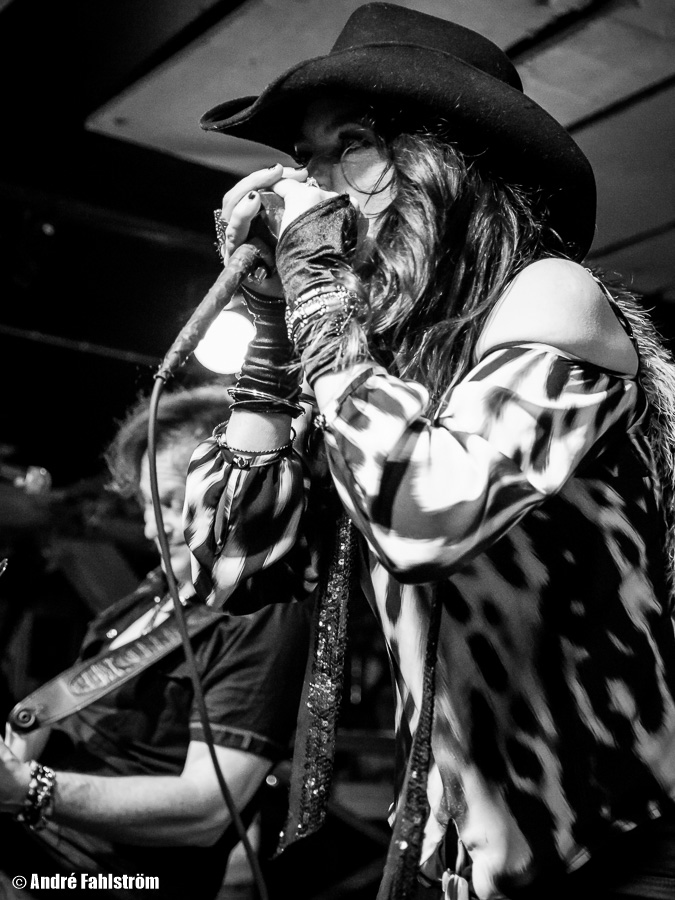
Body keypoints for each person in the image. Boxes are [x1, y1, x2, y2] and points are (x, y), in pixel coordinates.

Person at [181, 4, 675, 899]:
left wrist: (316, 293)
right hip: (462, 852)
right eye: (303, 158)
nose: (309, 185)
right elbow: (228, 570)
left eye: (350, 146)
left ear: (444, 170)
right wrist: (271, 333)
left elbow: (425, 517)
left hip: (619, 842)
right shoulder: (373, 368)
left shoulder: (551, 295)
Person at [0, 384, 311, 900]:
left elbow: (208, 809)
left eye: (168, 501)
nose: (150, 529)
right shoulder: (151, 595)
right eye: (147, 505)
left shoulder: (263, 614)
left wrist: (30, 789)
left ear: (232, 490)